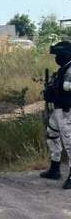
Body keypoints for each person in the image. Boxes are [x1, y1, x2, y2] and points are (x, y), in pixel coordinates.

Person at [40, 41, 71, 188]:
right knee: (52, 135)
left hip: (67, 112)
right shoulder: (63, 69)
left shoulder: (70, 71)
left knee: (69, 143)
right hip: (58, 111)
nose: (56, 58)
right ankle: (55, 168)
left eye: (58, 55)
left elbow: (66, 91)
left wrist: (55, 94)